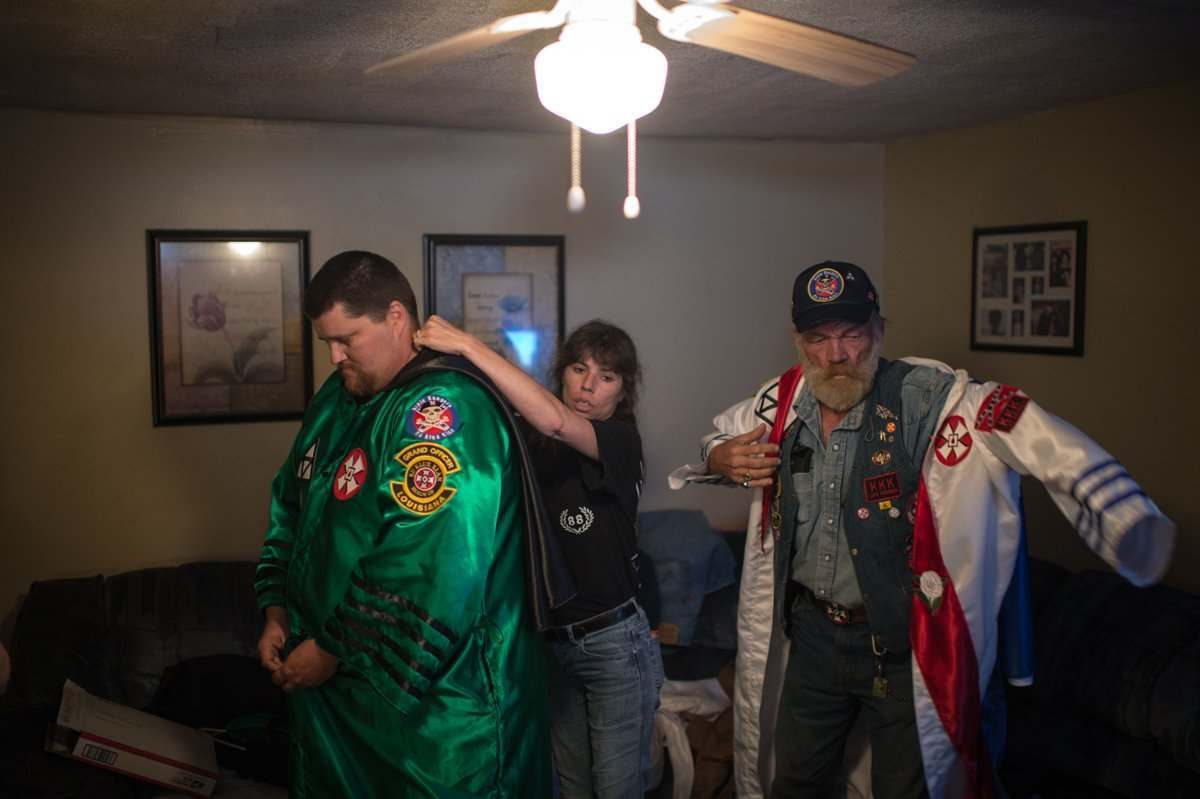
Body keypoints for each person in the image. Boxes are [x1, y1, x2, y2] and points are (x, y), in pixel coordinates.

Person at [669, 260, 1175, 799]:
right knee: (793, 782)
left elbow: (1028, 428)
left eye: (851, 334)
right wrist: (718, 456)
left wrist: (1123, 517)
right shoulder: (781, 400)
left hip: (902, 647)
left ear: (878, 330)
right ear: (799, 341)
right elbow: (718, 438)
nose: (836, 355)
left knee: (909, 789)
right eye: (818, 338)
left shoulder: (933, 400)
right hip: (812, 639)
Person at [253, 251, 556, 798]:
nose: (334, 357)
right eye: (326, 342)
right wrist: (278, 608)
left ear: (396, 317)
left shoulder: (442, 411)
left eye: (346, 339)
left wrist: (329, 650)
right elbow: (292, 505)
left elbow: (425, 560)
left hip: (438, 723)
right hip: (336, 706)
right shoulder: (335, 398)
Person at [414, 315, 664, 799]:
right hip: (550, 643)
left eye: (606, 377)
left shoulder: (620, 440)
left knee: (617, 791)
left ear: (623, 391)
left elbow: (555, 419)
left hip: (614, 644)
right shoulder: (533, 442)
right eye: (578, 369)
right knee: (570, 790)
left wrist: (467, 344)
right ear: (561, 373)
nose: (588, 386)